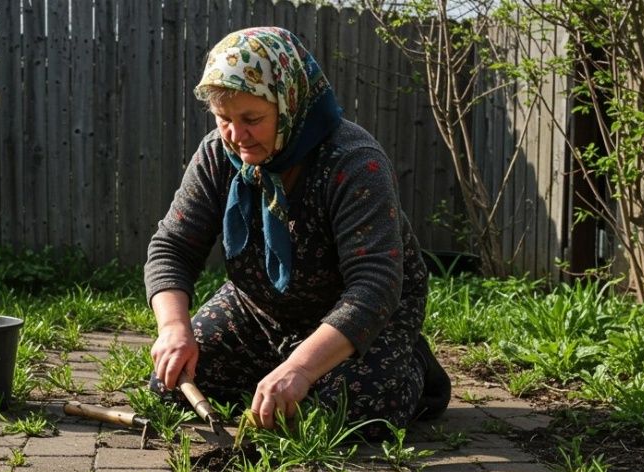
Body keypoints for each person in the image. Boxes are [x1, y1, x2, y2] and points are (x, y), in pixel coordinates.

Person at [144, 26, 449, 435]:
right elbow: (173, 247)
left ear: (289, 103)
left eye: (252, 119)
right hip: (259, 311)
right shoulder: (218, 155)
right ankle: (277, 372)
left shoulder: (353, 162)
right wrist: (174, 329)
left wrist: (301, 369)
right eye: (223, 120)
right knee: (173, 383)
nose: (236, 137)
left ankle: (411, 364)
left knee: (336, 416)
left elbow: (374, 285)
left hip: (360, 321)